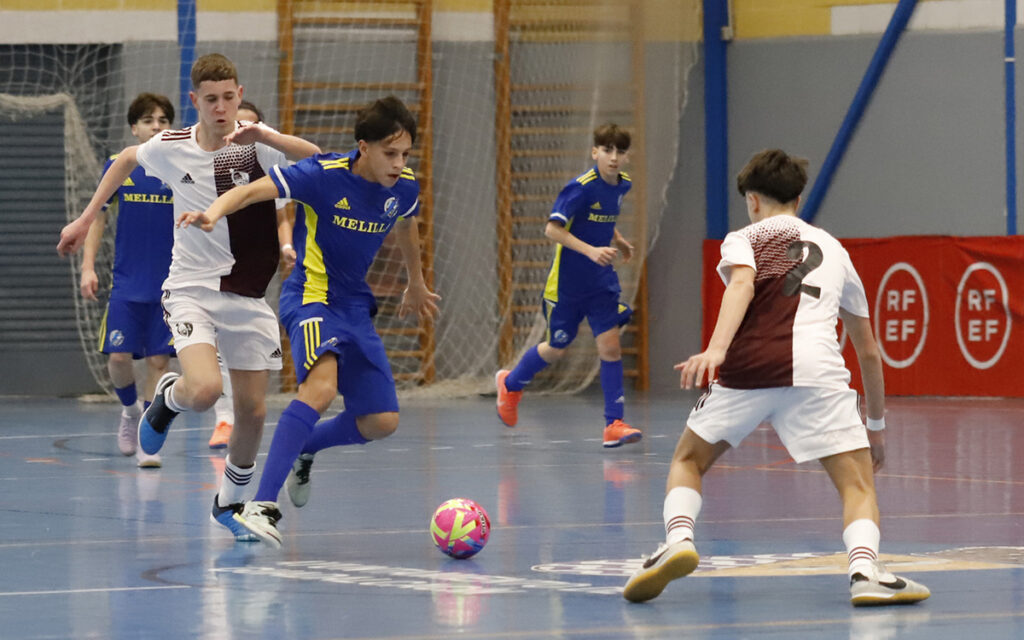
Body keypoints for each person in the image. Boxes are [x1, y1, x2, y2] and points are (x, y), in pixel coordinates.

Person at [621, 149, 930, 607]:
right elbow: (868, 349)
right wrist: (877, 429)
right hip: (817, 372)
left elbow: (743, 285)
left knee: (688, 460)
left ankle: (679, 540)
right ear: (799, 199)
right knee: (858, 486)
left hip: (746, 369)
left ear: (752, 201)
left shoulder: (743, 238)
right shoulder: (837, 252)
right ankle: (865, 571)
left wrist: (717, 349)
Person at [58, 53, 322, 540]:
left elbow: (318, 158)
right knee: (203, 391)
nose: (221, 108)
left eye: (229, 98)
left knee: (254, 412)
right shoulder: (172, 146)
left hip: (247, 296)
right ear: (194, 101)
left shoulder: (256, 147)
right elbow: (125, 159)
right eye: (211, 99)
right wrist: (85, 216)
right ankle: (166, 400)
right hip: (190, 289)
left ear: (240, 97)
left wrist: (265, 134)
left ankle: (230, 505)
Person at [176, 95, 439, 547]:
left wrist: (416, 281)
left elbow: (407, 225)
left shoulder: (405, 188)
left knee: (382, 421)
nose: (399, 164)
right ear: (364, 147)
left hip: (356, 304)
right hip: (312, 297)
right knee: (320, 388)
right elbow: (250, 191)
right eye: (390, 154)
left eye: (405, 155)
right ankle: (261, 504)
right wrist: (212, 212)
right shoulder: (323, 176)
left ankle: (306, 449)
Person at [495, 123, 641, 448]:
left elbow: (604, 217)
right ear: (595, 153)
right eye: (607, 150)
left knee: (611, 347)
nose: (613, 158)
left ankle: (613, 424)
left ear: (626, 156)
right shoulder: (579, 188)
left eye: (619, 151)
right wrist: (591, 251)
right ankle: (511, 383)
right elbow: (552, 230)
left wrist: (619, 240)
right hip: (567, 286)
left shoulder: (622, 185)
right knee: (557, 346)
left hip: (601, 282)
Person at [80, 93, 175, 468]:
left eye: (164, 120)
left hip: (169, 286)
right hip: (127, 284)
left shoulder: (180, 168)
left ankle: (148, 440)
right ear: (134, 128)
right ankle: (129, 410)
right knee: (118, 356)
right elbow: (97, 217)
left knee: (158, 363)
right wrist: (88, 266)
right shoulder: (120, 165)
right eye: (149, 120)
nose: (157, 126)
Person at [204, 100, 297, 450]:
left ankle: (239, 415)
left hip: (251, 272)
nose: (244, 132)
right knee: (212, 347)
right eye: (239, 125)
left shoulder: (268, 166)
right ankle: (223, 417)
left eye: (253, 127)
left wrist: (287, 247)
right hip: (211, 269)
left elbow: (281, 216)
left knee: (240, 351)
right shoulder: (207, 162)